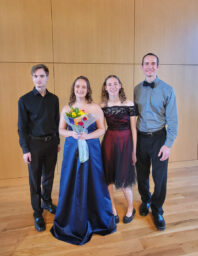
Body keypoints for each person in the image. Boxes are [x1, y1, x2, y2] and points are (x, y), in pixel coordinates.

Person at [51, 76, 116, 245]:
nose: (80, 89)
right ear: (74, 88)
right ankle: (72, 216)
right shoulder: (67, 108)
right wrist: (71, 133)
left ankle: (96, 217)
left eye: (84, 87)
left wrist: (87, 135)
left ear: (88, 90)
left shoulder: (94, 108)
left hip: (91, 147)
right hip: (72, 148)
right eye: (78, 86)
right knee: (71, 180)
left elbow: (102, 129)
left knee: (93, 180)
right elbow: (60, 130)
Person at [134, 53, 178, 230]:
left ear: (157, 67)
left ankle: (157, 208)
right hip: (141, 137)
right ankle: (145, 200)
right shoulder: (137, 89)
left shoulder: (168, 90)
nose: (150, 66)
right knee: (141, 175)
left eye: (153, 63)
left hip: (159, 138)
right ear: (142, 66)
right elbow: (133, 117)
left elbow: (173, 121)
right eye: (146, 63)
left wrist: (168, 144)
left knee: (160, 178)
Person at [18, 64, 60, 232]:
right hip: (34, 145)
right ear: (33, 78)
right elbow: (22, 128)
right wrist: (25, 149)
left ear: (47, 77)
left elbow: (57, 122)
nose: (38, 79)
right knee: (35, 181)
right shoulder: (24, 100)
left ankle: (47, 202)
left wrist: (57, 141)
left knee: (48, 177)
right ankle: (37, 212)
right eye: (35, 76)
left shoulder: (54, 99)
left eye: (42, 76)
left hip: (51, 144)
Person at [101, 75, 137, 224]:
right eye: (109, 84)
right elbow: (101, 128)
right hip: (109, 141)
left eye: (116, 83)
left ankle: (130, 208)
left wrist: (134, 151)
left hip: (126, 141)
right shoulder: (102, 106)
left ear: (120, 85)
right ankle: (113, 209)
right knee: (108, 179)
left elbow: (134, 129)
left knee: (124, 180)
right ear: (105, 87)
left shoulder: (129, 104)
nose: (113, 86)